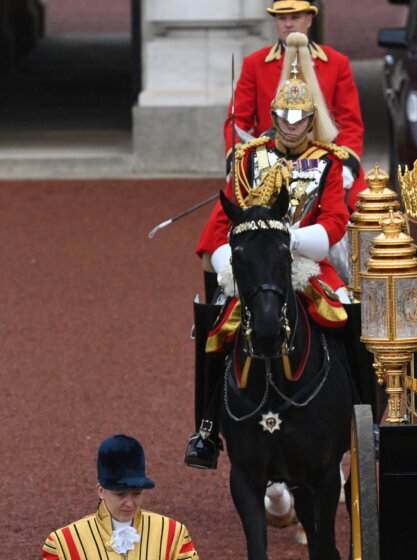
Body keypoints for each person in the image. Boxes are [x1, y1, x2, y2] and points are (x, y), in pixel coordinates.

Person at [185, 33, 351, 469]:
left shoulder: (329, 161)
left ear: (310, 118)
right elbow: (223, 224)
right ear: (274, 114)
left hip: (306, 263)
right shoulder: (247, 157)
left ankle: (356, 415)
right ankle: (206, 429)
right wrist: (230, 263)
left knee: (347, 315)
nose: (291, 124)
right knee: (213, 322)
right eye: (284, 115)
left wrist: (290, 240)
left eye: (300, 117)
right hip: (253, 265)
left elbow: (334, 221)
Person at [224, 0, 364, 184]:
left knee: (359, 206)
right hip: (269, 160)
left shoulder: (336, 62)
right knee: (226, 212)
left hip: (325, 157)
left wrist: (346, 165)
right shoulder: (255, 63)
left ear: (309, 19)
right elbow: (237, 121)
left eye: (295, 17)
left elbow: (349, 122)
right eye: (282, 18)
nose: (288, 24)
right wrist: (237, 160)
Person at [42, 434, 199, 559]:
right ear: (100, 491)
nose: (130, 503)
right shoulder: (63, 544)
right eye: (120, 494)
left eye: (137, 493)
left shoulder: (173, 534)